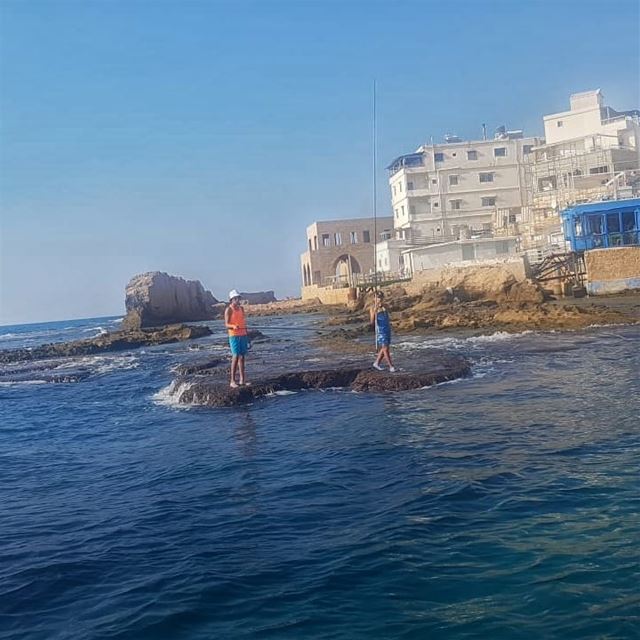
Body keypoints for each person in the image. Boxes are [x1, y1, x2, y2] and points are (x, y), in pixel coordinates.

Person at [225, 289, 250, 388]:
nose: (238, 300)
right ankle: (232, 381)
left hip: (243, 334)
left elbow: (243, 322)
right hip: (234, 335)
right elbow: (226, 324)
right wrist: (233, 326)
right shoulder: (229, 309)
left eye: (238, 298)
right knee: (235, 356)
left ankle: (242, 380)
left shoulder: (241, 308)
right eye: (235, 298)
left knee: (242, 356)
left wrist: (247, 336)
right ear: (231, 299)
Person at [370, 290, 396, 372]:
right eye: (377, 297)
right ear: (374, 298)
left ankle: (376, 363)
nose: (379, 299)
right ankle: (391, 366)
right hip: (380, 330)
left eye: (381, 297)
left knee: (385, 347)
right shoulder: (372, 308)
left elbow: (390, 311)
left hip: (387, 328)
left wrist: (383, 306)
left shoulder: (385, 306)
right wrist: (375, 311)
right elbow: (371, 322)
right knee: (385, 348)